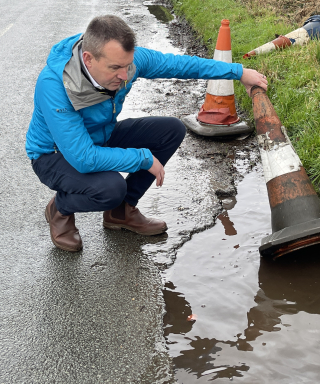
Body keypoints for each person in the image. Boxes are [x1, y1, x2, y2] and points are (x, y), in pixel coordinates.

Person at [26, 15, 268, 252]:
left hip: (101, 137)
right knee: (110, 189)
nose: (124, 76)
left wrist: (238, 72)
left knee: (170, 130)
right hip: (54, 155)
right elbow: (83, 158)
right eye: (115, 68)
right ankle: (61, 208)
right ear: (88, 59)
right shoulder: (55, 85)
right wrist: (142, 158)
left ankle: (121, 212)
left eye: (127, 66)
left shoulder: (126, 63)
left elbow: (179, 65)